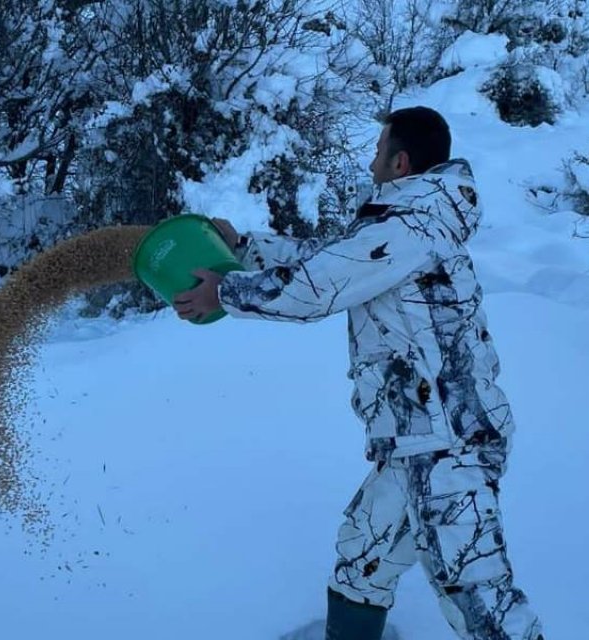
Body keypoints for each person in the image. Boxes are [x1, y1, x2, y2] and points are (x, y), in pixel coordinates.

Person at [173, 106, 544, 640]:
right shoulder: (399, 226)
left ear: (400, 162)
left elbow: (314, 287)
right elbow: (329, 258)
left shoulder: (412, 227)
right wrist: (243, 248)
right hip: (416, 441)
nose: (371, 159)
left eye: (378, 149)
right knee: (364, 552)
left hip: (448, 448)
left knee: (480, 601)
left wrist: (225, 291)